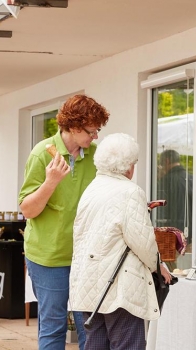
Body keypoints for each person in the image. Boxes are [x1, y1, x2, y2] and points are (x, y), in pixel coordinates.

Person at [18, 94, 110, 350]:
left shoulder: (96, 156)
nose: (96, 137)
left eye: (97, 130)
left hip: (87, 257)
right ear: (74, 126)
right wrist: (51, 182)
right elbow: (27, 210)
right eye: (92, 131)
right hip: (48, 256)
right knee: (53, 325)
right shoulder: (41, 154)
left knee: (90, 327)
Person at [69, 133, 172, 350]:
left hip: (89, 282)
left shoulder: (92, 189)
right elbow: (142, 242)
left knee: (95, 343)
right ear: (128, 166)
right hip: (118, 286)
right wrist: (159, 265)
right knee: (127, 344)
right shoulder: (130, 192)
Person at [157, 149, 193, 245]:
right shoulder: (191, 178)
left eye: (161, 164)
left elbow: (160, 208)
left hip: (171, 233)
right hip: (191, 232)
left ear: (167, 161)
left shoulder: (165, 181)